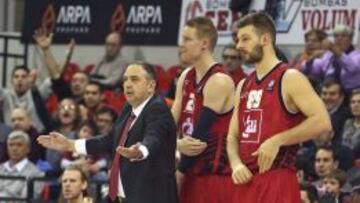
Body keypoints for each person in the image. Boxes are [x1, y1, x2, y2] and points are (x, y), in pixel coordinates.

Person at [227, 12, 332, 203]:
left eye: (245, 38)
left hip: (277, 180)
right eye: (238, 39)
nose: (238, 45)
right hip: (244, 182)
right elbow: (232, 135)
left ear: (265, 39)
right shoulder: (243, 85)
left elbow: (322, 122)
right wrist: (235, 164)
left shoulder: (289, 77)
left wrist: (278, 140)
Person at [38, 62, 178, 203]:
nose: (128, 84)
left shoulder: (158, 108)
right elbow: (110, 140)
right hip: (124, 196)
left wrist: (141, 150)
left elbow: (154, 136)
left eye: (134, 79)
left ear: (151, 86)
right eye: (125, 80)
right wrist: (70, 144)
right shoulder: (128, 108)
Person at [172, 16, 235, 203]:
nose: (181, 45)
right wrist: (173, 143)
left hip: (213, 178)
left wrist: (180, 173)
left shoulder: (219, 81)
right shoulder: (186, 76)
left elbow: (198, 138)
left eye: (187, 39)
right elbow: (167, 123)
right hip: (189, 173)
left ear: (204, 44)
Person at [0, 130, 44, 200]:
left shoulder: (37, 174)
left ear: (28, 149)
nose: (14, 148)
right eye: (11, 145)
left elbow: (25, 200)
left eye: (19, 145)